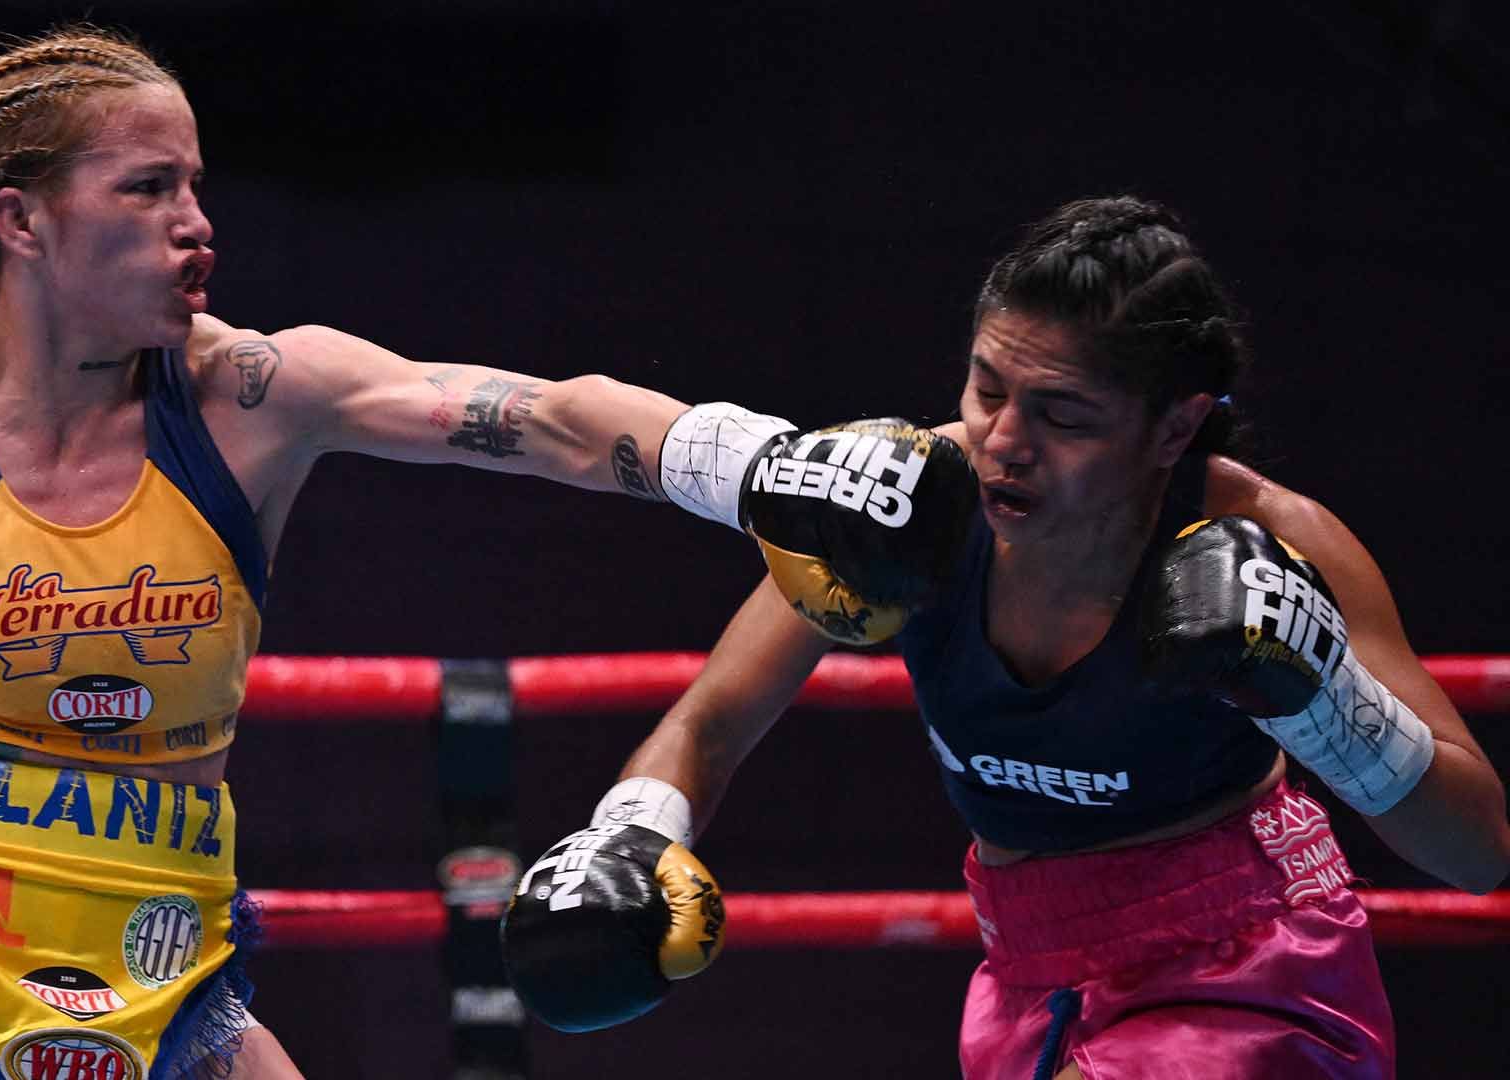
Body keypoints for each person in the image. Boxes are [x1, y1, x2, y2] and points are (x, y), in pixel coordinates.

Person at [0, 26, 868, 1080]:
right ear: (21, 220)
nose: (196, 223)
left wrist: (773, 466)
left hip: (179, 971)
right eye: (147, 189)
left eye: (195, 186)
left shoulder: (251, 397)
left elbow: (550, 419)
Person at [503, 197, 1510, 1078]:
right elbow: (712, 721)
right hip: (1024, 973)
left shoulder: (1279, 539)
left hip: (1246, 969)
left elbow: (1478, 851)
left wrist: (1323, 693)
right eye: (988, 390)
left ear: (1173, 428)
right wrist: (631, 831)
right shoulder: (905, 507)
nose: (1005, 442)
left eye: (1063, 416)